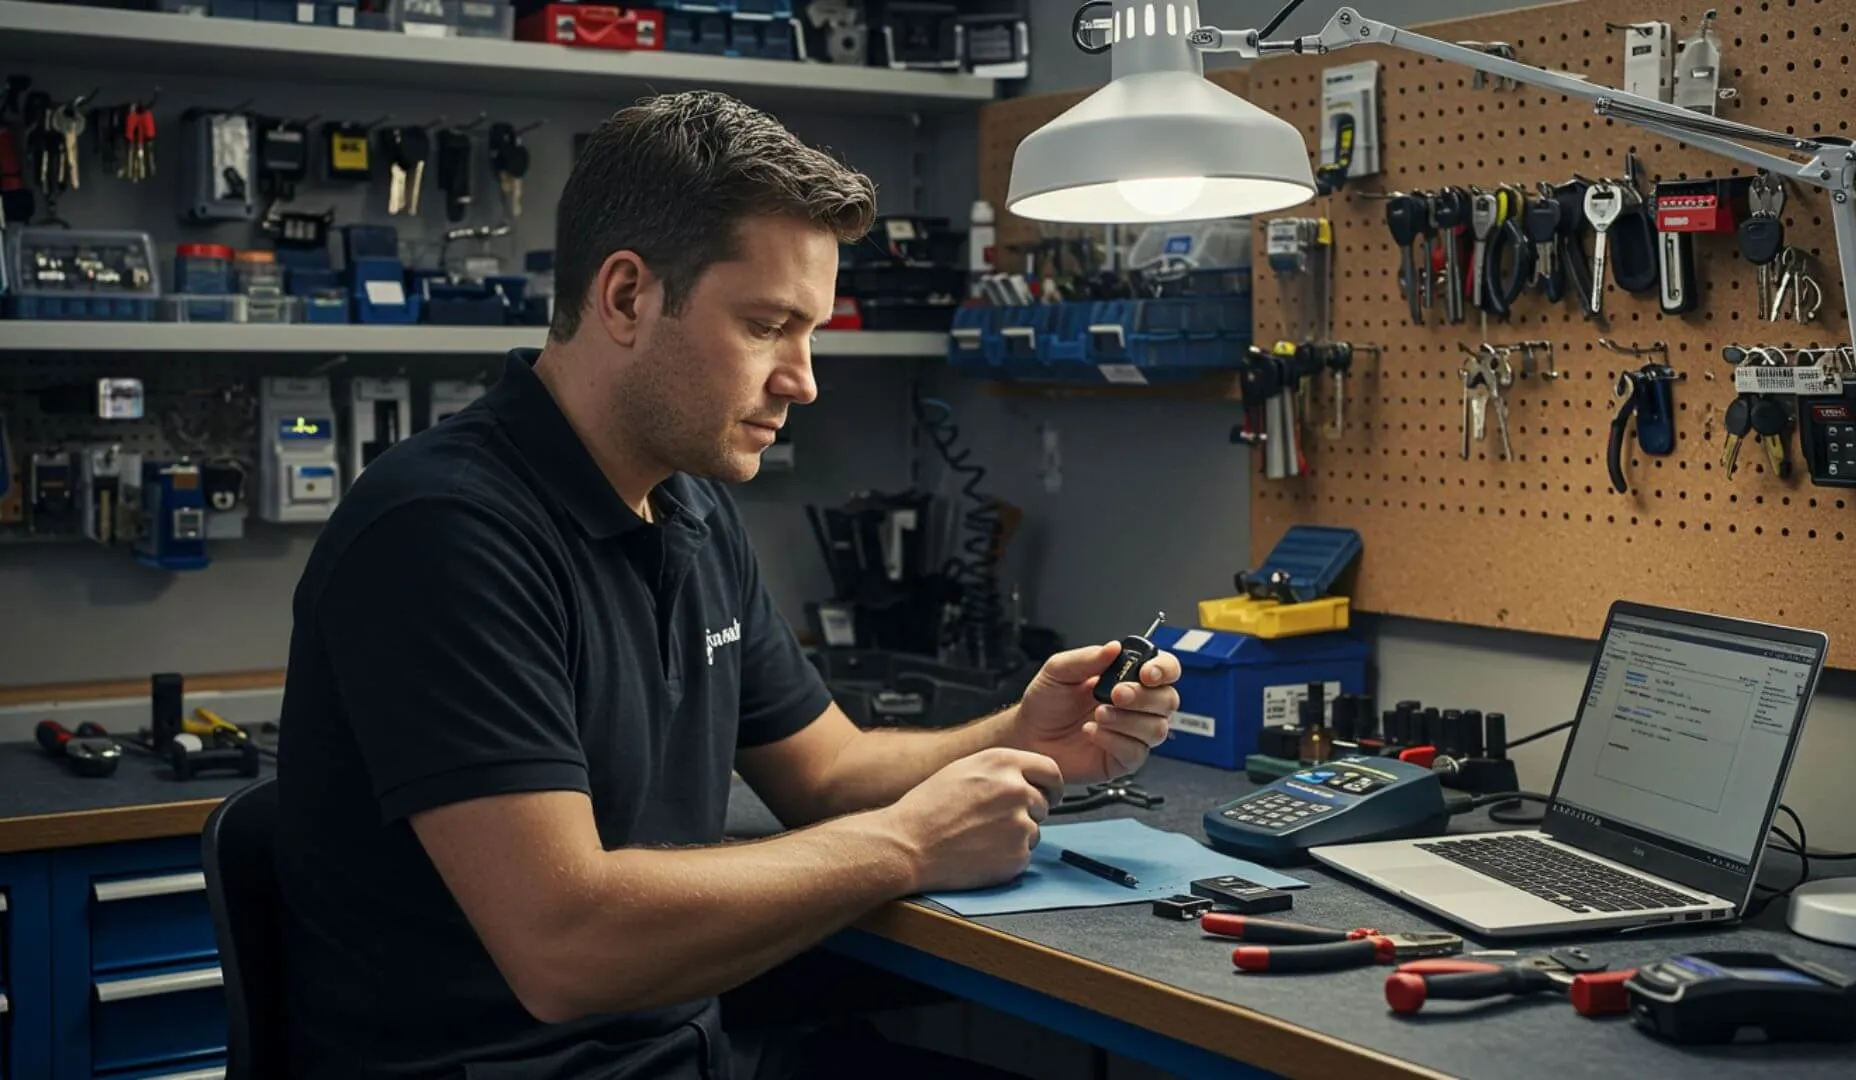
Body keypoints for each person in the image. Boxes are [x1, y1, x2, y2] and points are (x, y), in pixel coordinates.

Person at [273, 90, 1182, 1080]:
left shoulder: (689, 511)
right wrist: (907, 848)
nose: (803, 379)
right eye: (766, 325)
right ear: (626, 298)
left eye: (813, 333)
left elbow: (826, 775)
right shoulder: (445, 532)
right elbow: (564, 947)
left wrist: (1022, 736)